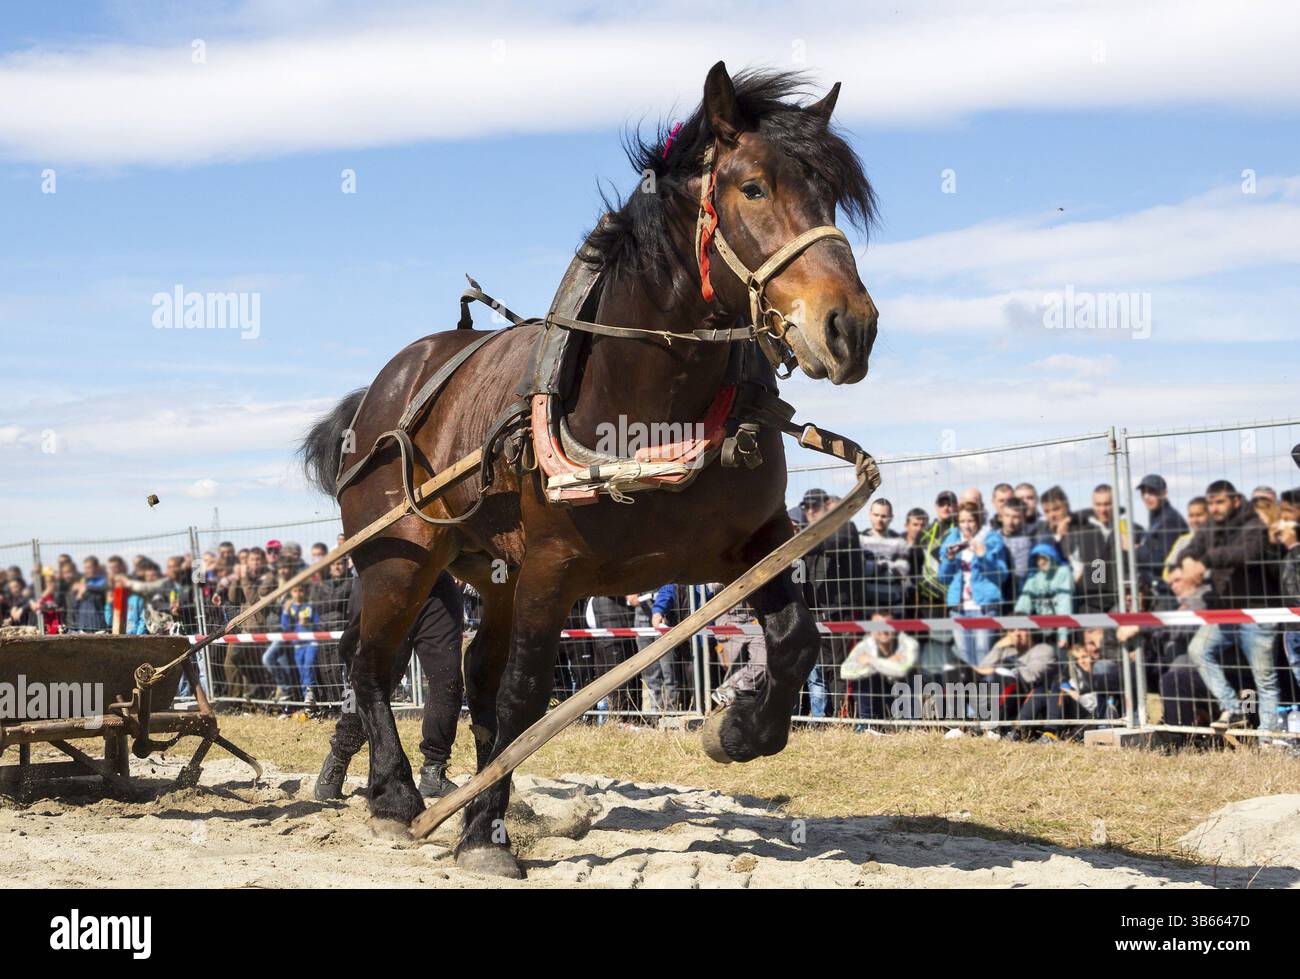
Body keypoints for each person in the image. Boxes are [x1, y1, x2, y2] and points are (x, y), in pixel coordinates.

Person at [316, 571, 466, 801]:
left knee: (449, 679)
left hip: (436, 586)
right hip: (383, 580)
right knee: (369, 682)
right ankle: (340, 754)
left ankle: (434, 770)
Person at [1181, 480, 1283, 732]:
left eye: (1220, 502)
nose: (1214, 508)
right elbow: (1191, 549)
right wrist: (1187, 563)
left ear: (1236, 501)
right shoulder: (1210, 527)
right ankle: (1233, 708)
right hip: (1226, 613)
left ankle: (1269, 738)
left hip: (1257, 614)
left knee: (1265, 680)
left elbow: (1245, 554)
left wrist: (1206, 561)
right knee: (1198, 650)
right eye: (1211, 503)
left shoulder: (1254, 525)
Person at [937, 501, 1009, 667]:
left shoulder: (991, 539)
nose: (966, 525)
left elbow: (1002, 575)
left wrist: (983, 556)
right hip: (959, 610)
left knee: (984, 657)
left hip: (983, 609)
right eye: (962, 521)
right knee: (964, 658)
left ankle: (986, 692)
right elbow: (944, 578)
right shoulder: (953, 539)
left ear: (978, 521)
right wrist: (949, 559)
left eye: (970, 521)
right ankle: (969, 692)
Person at [1013, 542, 1073, 649]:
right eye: (1037, 559)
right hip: (1039, 629)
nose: (1040, 562)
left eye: (1044, 559)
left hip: (1059, 629)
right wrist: (1015, 629)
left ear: (1052, 558)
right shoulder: (1034, 579)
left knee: (1061, 658)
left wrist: (1063, 635)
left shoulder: (1063, 573)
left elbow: (1064, 604)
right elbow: (1023, 605)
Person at [1133, 474, 1188, 589]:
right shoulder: (1157, 517)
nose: (1146, 497)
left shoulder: (1170, 520)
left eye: (1152, 492)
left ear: (1164, 493)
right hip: (1158, 587)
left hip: (1170, 590)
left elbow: (1166, 559)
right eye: (1143, 493)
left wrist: (1135, 551)